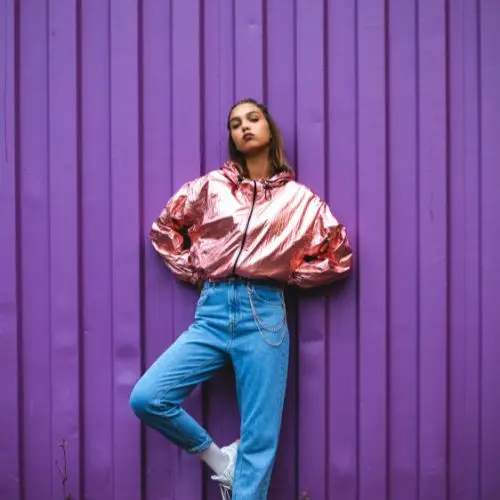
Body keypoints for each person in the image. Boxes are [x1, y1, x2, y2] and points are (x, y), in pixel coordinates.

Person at [129, 98, 352, 499]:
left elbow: (338, 256)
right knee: (148, 397)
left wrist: (286, 274)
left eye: (253, 119)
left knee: (259, 441)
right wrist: (196, 268)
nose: (244, 127)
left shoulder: (300, 201)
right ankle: (220, 461)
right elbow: (165, 230)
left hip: (264, 316)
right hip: (212, 312)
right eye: (235, 123)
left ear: (270, 130)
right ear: (231, 137)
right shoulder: (211, 187)